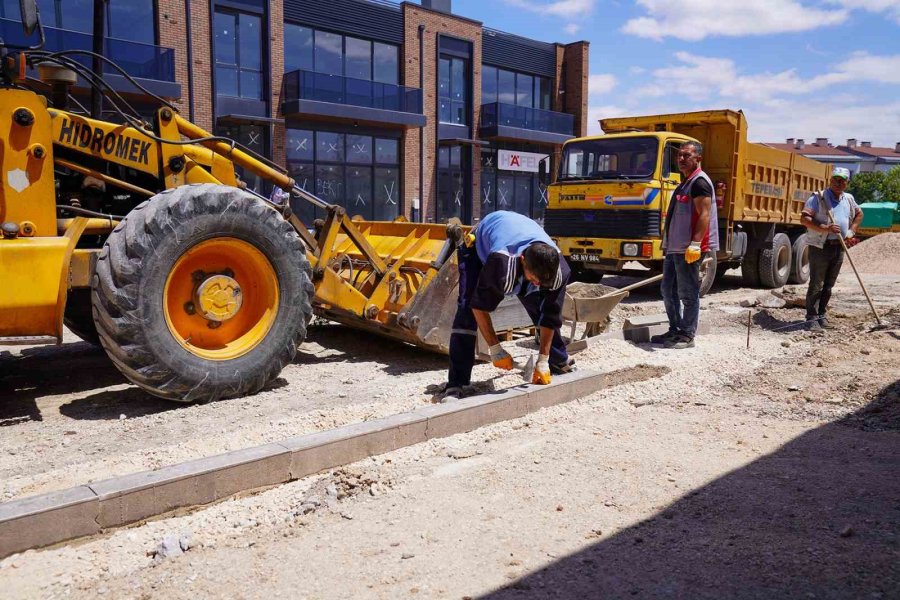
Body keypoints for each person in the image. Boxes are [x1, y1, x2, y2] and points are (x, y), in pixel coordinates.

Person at [441, 211, 574, 400]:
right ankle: (457, 382)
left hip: (518, 238)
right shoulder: (501, 265)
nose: (537, 283)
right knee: (466, 310)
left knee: (540, 305)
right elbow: (478, 306)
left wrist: (542, 359)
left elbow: (551, 315)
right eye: (534, 278)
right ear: (523, 261)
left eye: (542, 282)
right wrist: (495, 349)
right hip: (479, 247)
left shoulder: (559, 270)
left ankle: (556, 360)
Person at [652, 141, 719, 349]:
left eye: (686, 156)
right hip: (675, 248)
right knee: (667, 290)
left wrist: (696, 244)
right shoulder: (684, 182)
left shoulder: (699, 182)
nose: (681, 159)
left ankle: (687, 334)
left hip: (688, 249)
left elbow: (704, 214)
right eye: (679, 155)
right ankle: (675, 329)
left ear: (697, 158)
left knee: (688, 293)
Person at [800, 167, 862, 331]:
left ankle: (821, 316)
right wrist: (826, 228)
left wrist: (852, 230)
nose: (838, 183)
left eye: (842, 180)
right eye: (835, 179)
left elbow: (859, 214)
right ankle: (811, 318)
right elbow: (804, 219)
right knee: (816, 284)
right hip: (821, 247)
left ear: (847, 183)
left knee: (829, 285)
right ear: (830, 180)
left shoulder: (848, 198)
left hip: (838, 247)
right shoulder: (819, 197)